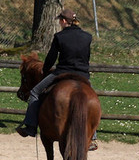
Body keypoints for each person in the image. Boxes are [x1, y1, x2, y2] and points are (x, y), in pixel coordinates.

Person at [16, 8, 97, 150]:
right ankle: (92, 136)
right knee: (89, 99)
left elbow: (51, 58)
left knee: (35, 92)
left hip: (62, 73)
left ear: (64, 21)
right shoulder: (87, 37)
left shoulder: (59, 37)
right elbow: (86, 58)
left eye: (60, 20)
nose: (59, 23)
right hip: (83, 75)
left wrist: (45, 70)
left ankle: (30, 126)